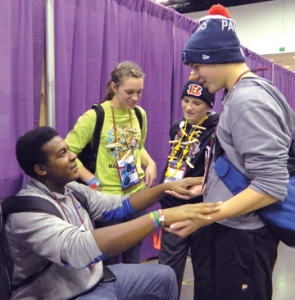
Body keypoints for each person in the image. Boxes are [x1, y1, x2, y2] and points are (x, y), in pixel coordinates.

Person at [166, 4, 295, 300]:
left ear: (216, 58)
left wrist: (205, 217)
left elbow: (270, 186)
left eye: (197, 66)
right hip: (234, 231)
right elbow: (247, 164)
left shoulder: (248, 101)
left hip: (244, 239)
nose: (195, 76)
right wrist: (211, 183)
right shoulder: (243, 94)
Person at [5, 126, 222, 300]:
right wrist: (159, 217)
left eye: (69, 150)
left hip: (95, 279)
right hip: (64, 295)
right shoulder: (27, 213)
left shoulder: (72, 190)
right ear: (41, 169)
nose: (73, 157)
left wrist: (164, 188)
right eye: (62, 154)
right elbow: (78, 249)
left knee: (164, 276)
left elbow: (118, 206)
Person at [65, 61, 157, 265]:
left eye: (139, 92)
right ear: (114, 88)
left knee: (134, 259)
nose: (135, 98)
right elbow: (68, 152)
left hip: (136, 196)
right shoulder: (95, 117)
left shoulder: (140, 115)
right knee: (111, 262)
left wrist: (150, 163)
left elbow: (138, 147)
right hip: (107, 201)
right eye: (129, 92)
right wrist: (89, 178)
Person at [158, 79, 219, 299]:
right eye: (185, 100)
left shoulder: (217, 130)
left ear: (209, 105)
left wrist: (203, 185)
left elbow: (223, 168)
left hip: (201, 209)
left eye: (196, 103)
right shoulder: (178, 127)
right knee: (167, 268)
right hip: (173, 206)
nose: (189, 107)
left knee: (205, 268)